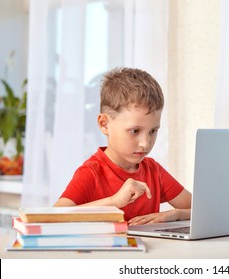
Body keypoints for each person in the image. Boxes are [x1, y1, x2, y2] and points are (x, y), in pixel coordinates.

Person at [54, 67, 192, 225]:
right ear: (104, 124)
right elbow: (52, 218)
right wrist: (114, 201)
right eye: (135, 131)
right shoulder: (91, 173)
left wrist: (176, 214)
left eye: (153, 131)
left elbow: (201, 210)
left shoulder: (154, 172)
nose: (145, 143)